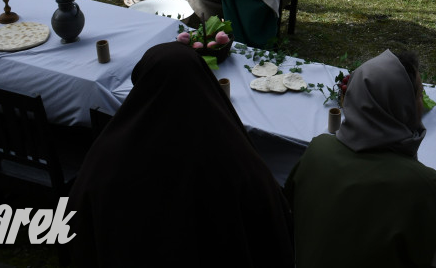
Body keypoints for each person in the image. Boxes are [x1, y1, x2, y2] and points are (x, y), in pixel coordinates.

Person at [69, 42, 294, 268]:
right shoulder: (235, 158)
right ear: (204, 82)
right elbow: (270, 222)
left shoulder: (110, 157)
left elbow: (82, 218)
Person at [285, 50, 436, 268]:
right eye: (420, 94)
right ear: (402, 106)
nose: (422, 104)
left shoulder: (317, 150)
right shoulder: (426, 190)